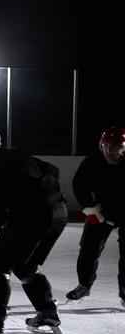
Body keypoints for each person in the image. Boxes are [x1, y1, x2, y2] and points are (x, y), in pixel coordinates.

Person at [0, 126, 67, 334]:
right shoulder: (18, 155)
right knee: (25, 266)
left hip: (29, 219)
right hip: (58, 214)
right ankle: (48, 313)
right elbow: (53, 170)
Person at [66, 126, 124, 305]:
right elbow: (79, 185)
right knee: (88, 249)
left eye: (117, 147)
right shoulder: (92, 162)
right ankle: (84, 284)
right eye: (108, 147)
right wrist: (90, 208)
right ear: (101, 146)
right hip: (101, 211)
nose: (112, 152)